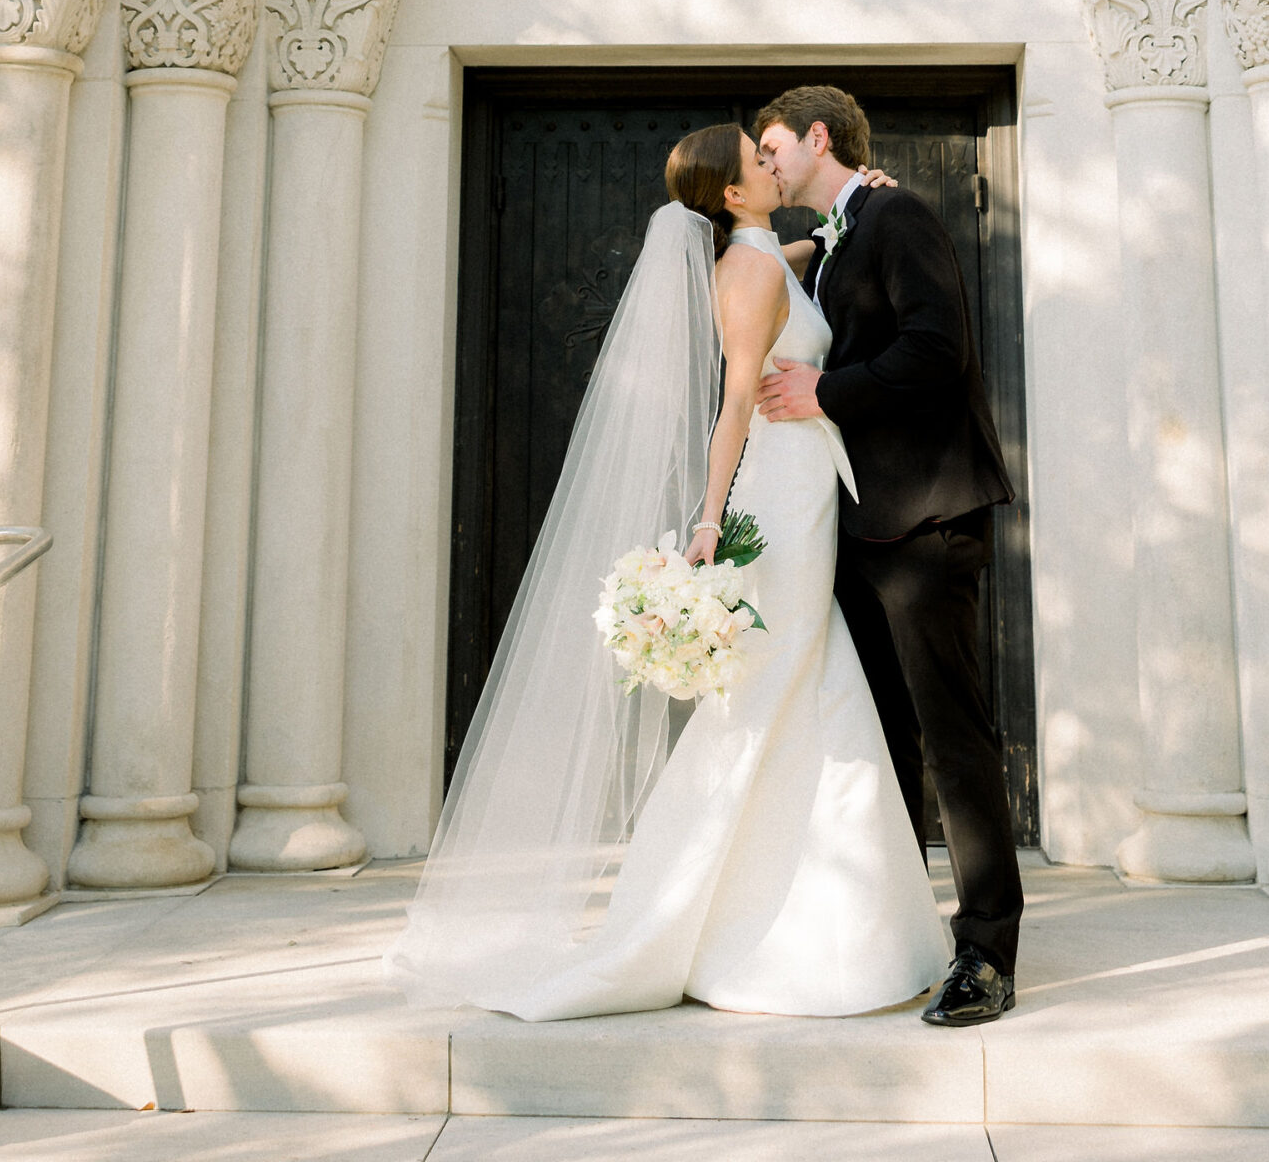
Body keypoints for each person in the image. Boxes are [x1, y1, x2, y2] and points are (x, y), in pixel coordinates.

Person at [387, 125, 947, 1020]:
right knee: (779, 696)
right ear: (731, 193)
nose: (772, 163)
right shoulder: (754, 272)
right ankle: (722, 923)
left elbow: (806, 248)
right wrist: (708, 519)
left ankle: (804, 917)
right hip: (784, 495)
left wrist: (851, 215)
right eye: (757, 159)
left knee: (801, 690)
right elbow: (733, 404)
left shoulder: (758, 255)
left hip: (804, 485)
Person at [756, 84, 1023, 1027]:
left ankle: (986, 955)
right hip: (860, 530)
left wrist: (825, 390)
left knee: (954, 742)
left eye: (774, 147)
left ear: (817, 135)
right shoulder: (838, 231)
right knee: (888, 743)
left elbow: (935, 349)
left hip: (926, 520)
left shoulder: (898, 212)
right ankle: (908, 932)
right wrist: (790, 243)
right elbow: (750, 255)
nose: (766, 163)